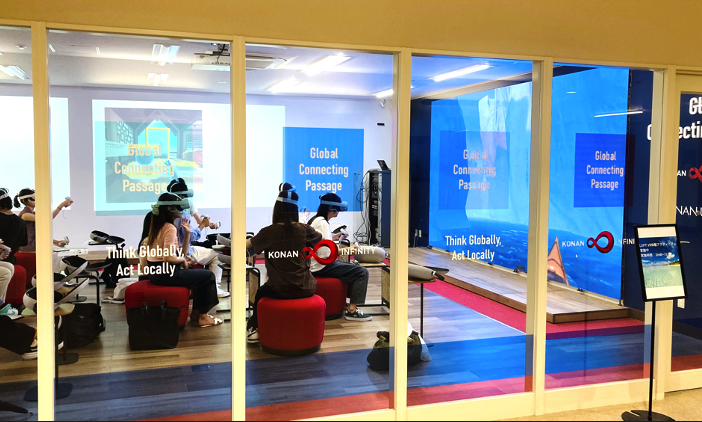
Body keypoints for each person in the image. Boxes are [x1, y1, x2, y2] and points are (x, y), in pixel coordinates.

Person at [245, 190, 323, 344]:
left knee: (260, 293)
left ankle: (254, 328)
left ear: (277, 209)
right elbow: (320, 237)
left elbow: (247, 245)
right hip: (306, 287)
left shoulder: (268, 232)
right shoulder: (305, 230)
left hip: (278, 289)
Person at [139, 193, 223, 328]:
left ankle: (196, 315)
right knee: (208, 276)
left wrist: (187, 233)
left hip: (158, 273)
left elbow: (181, 254)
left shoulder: (158, 226)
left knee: (200, 278)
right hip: (167, 274)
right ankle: (203, 317)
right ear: (170, 209)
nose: (182, 211)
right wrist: (182, 261)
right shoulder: (169, 228)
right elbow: (168, 258)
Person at [308, 193, 372, 322]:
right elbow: (326, 253)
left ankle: (346, 302)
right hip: (321, 266)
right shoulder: (322, 223)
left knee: (353, 267)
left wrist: (334, 237)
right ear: (331, 208)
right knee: (362, 272)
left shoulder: (316, 220)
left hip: (316, 264)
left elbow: (321, 243)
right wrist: (345, 250)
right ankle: (352, 311)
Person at [165, 179, 229, 298]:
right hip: (183, 252)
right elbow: (190, 236)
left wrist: (204, 224)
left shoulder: (166, 213)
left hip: (179, 250)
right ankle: (214, 288)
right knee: (218, 255)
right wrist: (202, 226)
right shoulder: (180, 215)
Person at [15, 188, 72, 252]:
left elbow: (38, 235)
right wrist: (61, 205)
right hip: (28, 248)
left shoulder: (33, 214)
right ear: (24, 201)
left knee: (61, 250)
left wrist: (57, 242)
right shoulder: (25, 215)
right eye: (33, 199)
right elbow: (48, 218)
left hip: (34, 246)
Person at [0, 188, 27, 319]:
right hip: (10, 257)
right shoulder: (21, 219)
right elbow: (23, 244)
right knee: (6, 270)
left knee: (9, 267)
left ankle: (1, 305)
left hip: (5, 258)